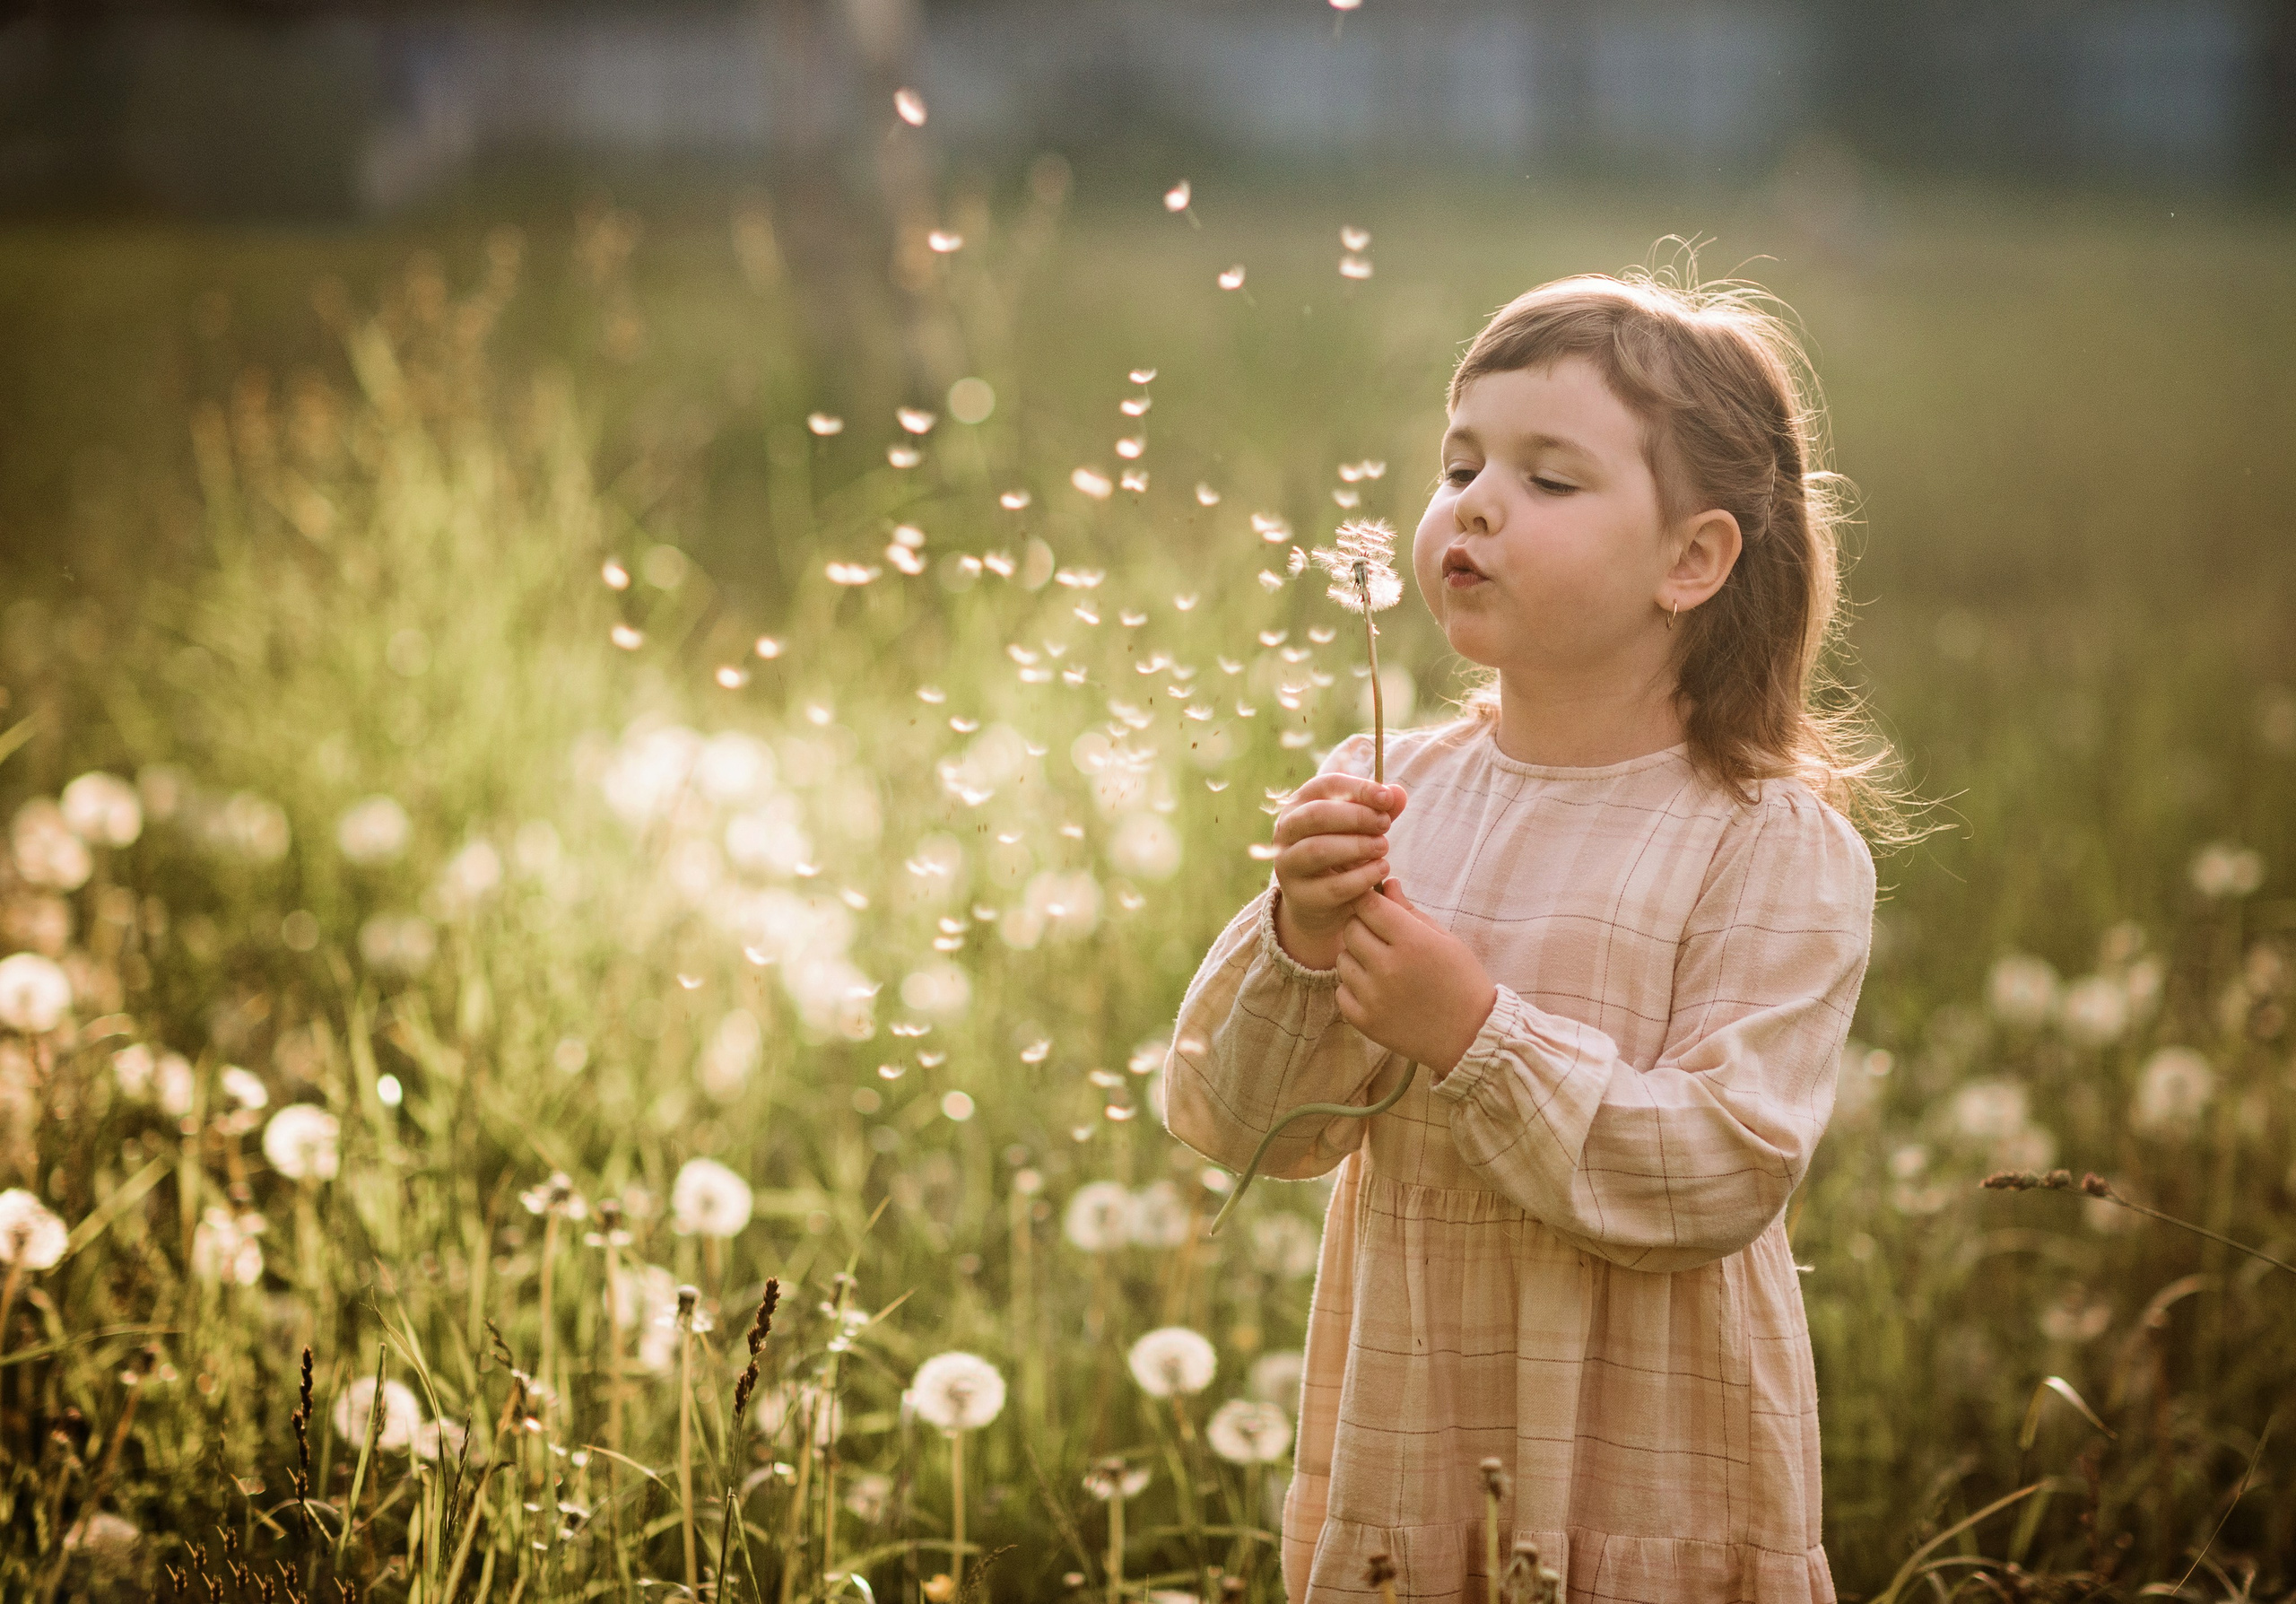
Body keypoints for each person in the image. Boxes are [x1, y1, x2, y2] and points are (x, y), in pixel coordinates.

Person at [1163, 265, 1925, 1602]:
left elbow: (1719, 1170)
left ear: (1692, 561)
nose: (1474, 504)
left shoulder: (1763, 844)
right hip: (1417, 1449)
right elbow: (1238, 1125)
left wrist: (1474, 1037)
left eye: (1550, 478)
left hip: (1650, 1468)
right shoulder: (1390, 793)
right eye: (1458, 466)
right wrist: (1300, 934)